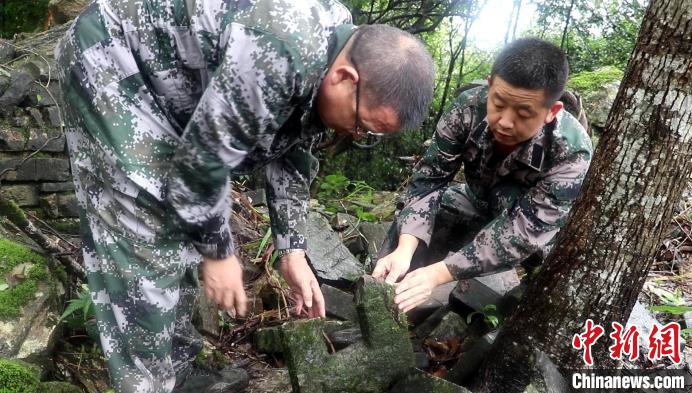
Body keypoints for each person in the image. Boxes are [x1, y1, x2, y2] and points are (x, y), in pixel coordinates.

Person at [54, 0, 435, 391]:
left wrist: (293, 251)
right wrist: (219, 254)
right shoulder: (280, 47)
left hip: (173, 100)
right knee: (145, 237)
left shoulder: (338, 44)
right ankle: (146, 383)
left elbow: (290, 152)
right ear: (344, 77)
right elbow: (201, 164)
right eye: (361, 124)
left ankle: (179, 372)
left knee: (187, 231)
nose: (356, 135)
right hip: (113, 62)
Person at [372, 37, 592, 313]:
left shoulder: (571, 150)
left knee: (554, 271)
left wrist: (438, 274)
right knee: (423, 218)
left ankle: (510, 322)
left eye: (524, 113)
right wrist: (406, 247)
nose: (505, 122)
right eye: (498, 104)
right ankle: (385, 296)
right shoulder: (467, 108)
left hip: (535, 231)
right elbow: (430, 180)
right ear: (490, 86)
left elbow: (522, 233)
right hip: (477, 201)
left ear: (552, 112)